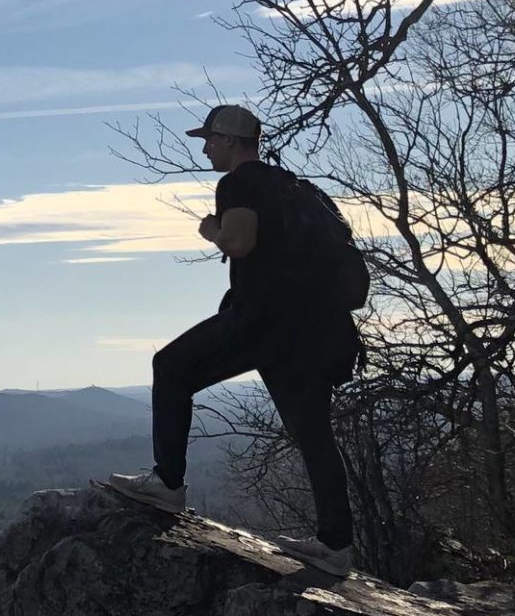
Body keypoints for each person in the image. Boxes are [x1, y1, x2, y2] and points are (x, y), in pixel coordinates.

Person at [107, 103, 359, 575]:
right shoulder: (291, 186)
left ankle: (167, 483)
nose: (205, 148)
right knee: (312, 432)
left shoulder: (239, 183)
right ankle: (335, 544)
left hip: (264, 320)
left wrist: (212, 230)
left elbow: (240, 243)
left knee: (171, 366)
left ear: (229, 140)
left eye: (210, 140)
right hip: (314, 327)